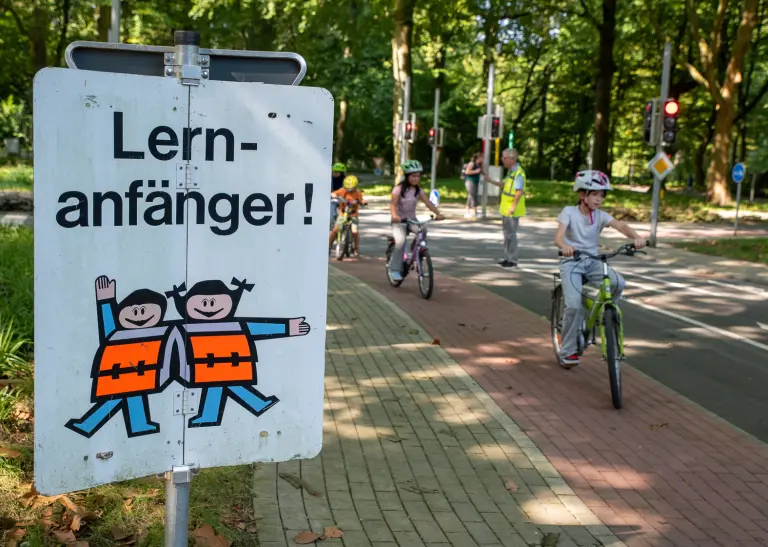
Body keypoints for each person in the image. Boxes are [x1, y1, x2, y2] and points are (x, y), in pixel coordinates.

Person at [554, 170, 646, 368]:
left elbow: (621, 226)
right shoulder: (569, 212)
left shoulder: (600, 216)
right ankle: (567, 350)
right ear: (582, 195)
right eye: (595, 194)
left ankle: (606, 314)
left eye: (602, 195)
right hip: (572, 262)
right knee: (573, 305)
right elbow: (558, 237)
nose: (599, 199)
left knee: (618, 282)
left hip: (593, 261)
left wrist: (636, 237)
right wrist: (565, 247)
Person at [388, 160, 445, 282]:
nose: (416, 179)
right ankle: (394, 269)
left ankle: (416, 253)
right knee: (401, 242)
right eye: (413, 176)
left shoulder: (418, 191)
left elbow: (428, 203)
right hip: (399, 220)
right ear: (407, 176)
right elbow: (393, 205)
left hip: (412, 220)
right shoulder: (398, 189)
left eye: (418, 176)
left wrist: (438, 214)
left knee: (423, 230)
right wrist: (394, 215)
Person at [483, 148, 526, 268]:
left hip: (512, 210)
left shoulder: (518, 173)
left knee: (511, 235)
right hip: (506, 209)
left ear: (512, 159)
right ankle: (507, 258)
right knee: (507, 235)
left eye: (505, 158)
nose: (503, 160)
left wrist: (512, 207)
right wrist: (491, 180)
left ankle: (513, 260)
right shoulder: (511, 172)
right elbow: (504, 185)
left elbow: (518, 192)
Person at [329, 175, 367, 257]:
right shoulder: (342, 190)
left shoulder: (358, 192)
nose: (349, 190)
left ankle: (356, 249)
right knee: (334, 230)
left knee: (355, 232)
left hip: (353, 214)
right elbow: (334, 193)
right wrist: (334, 195)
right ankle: (329, 247)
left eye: (351, 188)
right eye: (347, 188)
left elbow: (361, 200)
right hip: (343, 214)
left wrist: (363, 202)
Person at [463, 153, 483, 220]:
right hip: (470, 181)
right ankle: (475, 212)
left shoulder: (478, 165)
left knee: (470, 196)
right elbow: (467, 172)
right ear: (478, 158)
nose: (483, 159)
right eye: (482, 158)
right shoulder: (472, 163)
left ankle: (467, 211)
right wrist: (476, 171)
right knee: (473, 196)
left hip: (475, 182)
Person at [330, 162, 346, 228]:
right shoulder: (329, 179)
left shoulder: (345, 180)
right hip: (332, 198)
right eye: (334, 171)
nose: (334, 173)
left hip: (342, 199)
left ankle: (344, 224)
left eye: (337, 172)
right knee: (330, 215)